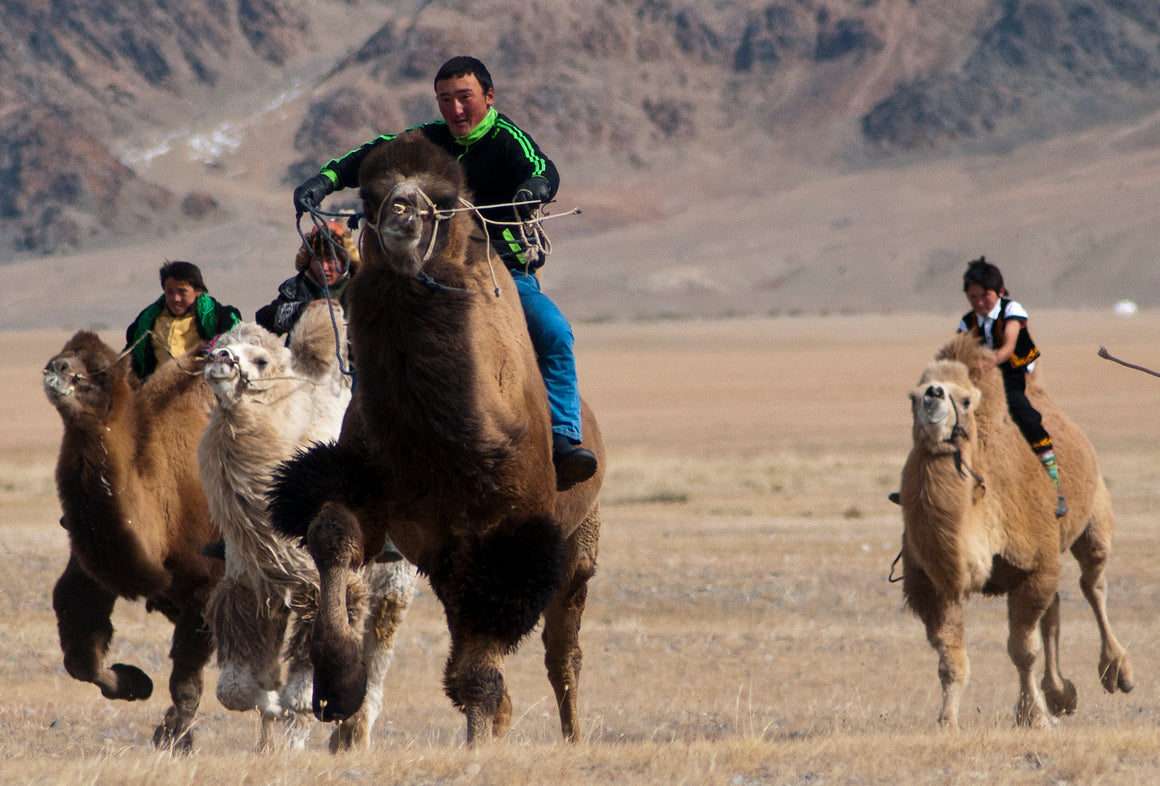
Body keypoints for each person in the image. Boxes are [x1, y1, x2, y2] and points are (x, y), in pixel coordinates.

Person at [293, 55, 597, 489]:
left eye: (464, 98)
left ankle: (564, 440)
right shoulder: (427, 141)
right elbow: (370, 152)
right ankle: (362, 444)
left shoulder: (509, 140)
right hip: (432, 271)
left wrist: (533, 191)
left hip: (501, 271)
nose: (455, 109)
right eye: (444, 100)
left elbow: (542, 169)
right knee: (374, 328)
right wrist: (323, 181)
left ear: (489, 97)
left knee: (553, 331)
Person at [957, 256, 1067, 518]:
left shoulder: (1011, 310)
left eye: (985, 296)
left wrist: (990, 362)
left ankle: (1055, 487)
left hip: (1011, 371)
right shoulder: (967, 321)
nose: (979, 303)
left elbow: (1008, 346)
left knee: (1023, 414)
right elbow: (959, 347)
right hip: (982, 378)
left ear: (1000, 291)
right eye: (973, 297)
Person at [125, 260, 241, 380]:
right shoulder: (146, 321)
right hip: (157, 390)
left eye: (182, 292)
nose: (176, 298)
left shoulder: (219, 316)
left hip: (202, 387)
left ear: (198, 291)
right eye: (170, 292)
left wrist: (208, 351)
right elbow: (131, 356)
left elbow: (231, 335)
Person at [256, 220, 359, 336]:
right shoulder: (296, 287)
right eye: (317, 260)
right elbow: (263, 318)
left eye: (330, 260)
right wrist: (303, 310)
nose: (323, 267)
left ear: (344, 260)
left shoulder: (360, 288)